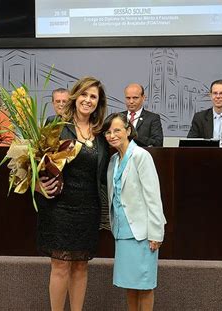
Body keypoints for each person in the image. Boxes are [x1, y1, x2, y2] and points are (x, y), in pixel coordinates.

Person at [36, 76, 109, 311]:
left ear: (98, 103)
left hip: (88, 208)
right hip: (59, 207)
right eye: (84, 94)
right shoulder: (56, 125)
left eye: (93, 97)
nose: (88, 100)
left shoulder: (101, 133)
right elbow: (34, 164)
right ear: (75, 96)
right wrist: (38, 185)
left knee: (81, 265)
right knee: (60, 265)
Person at [102, 112, 166, 311]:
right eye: (108, 132)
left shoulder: (141, 156)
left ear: (128, 131)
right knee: (129, 285)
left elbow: (153, 197)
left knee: (144, 286)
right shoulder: (113, 161)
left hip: (143, 233)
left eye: (117, 130)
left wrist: (156, 233)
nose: (112, 135)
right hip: (122, 233)